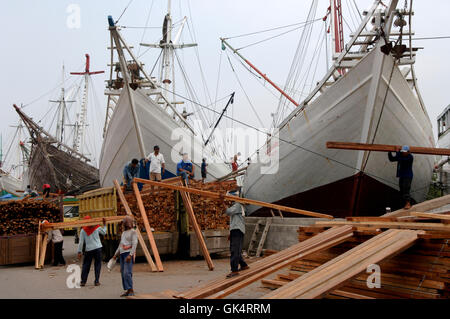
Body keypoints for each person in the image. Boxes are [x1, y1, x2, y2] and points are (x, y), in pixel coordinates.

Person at [77, 216, 107, 287]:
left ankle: (83, 281)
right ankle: (96, 281)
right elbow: (104, 233)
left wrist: (79, 251)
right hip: (98, 248)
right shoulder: (97, 227)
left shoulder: (83, 230)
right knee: (97, 265)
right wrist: (105, 225)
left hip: (89, 249)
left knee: (86, 265)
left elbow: (81, 242)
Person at [113, 216, 138, 297]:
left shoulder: (133, 232)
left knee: (127, 273)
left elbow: (135, 243)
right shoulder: (123, 233)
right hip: (122, 254)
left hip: (128, 254)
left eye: (124, 223)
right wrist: (115, 254)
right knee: (123, 273)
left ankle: (131, 290)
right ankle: (127, 290)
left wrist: (130, 255)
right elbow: (121, 245)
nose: (123, 225)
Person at [224, 200, 249, 278]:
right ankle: (243, 265)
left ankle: (234, 270)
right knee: (236, 249)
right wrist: (231, 232)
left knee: (235, 250)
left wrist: (223, 202)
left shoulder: (237, 205)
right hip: (236, 230)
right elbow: (234, 221)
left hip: (237, 230)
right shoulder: (237, 206)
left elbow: (228, 212)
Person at [388, 145, 414, 209]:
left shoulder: (410, 157)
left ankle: (408, 203)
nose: (403, 152)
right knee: (401, 189)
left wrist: (397, 152)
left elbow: (402, 160)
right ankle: (403, 204)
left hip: (408, 175)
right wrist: (389, 152)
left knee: (406, 189)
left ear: (408, 152)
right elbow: (392, 159)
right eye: (402, 151)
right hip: (402, 175)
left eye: (404, 152)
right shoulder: (401, 155)